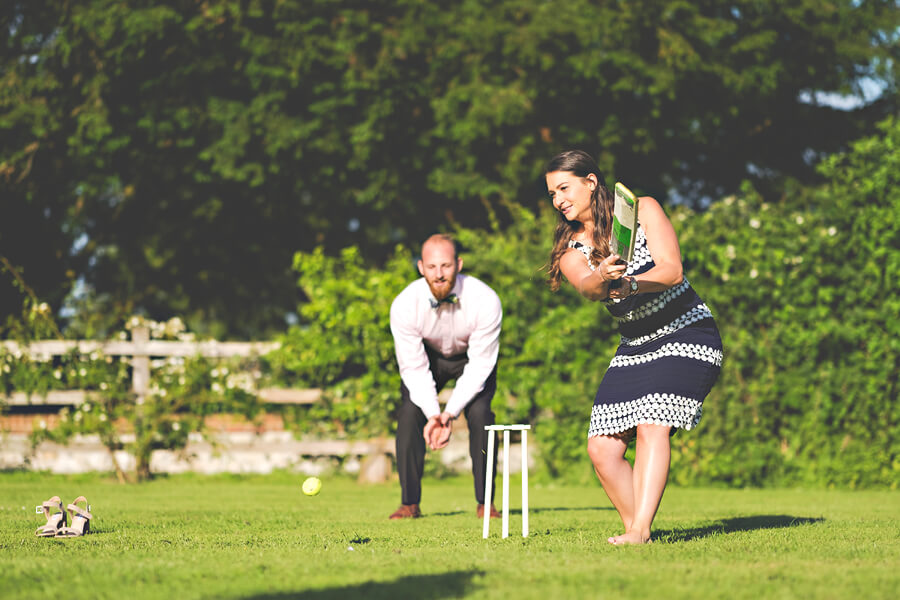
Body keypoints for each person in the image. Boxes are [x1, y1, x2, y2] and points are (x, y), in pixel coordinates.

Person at [545, 150, 723, 544]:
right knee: (602, 450)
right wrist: (603, 277)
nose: (558, 200)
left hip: (686, 331)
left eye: (564, 188)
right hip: (635, 346)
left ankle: (640, 531)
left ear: (591, 182)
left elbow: (673, 270)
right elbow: (588, 288)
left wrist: (632, 284)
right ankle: (637, 531)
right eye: (552, 193)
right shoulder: (570, 248)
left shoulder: (643, 210)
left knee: (652, 421)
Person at [388, 233, 503, 520]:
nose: (439, 275)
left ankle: (485, 503)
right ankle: (409, 503)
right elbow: (413, 368)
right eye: (431, 267)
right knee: (409, 414)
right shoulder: (405, 304)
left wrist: (449, 413)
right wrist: (433, 415)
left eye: (446, 266)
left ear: (459, 264)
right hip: (428, 359)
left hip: (472, 360)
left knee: (480, 415)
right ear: (420, 268)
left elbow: (480, 365)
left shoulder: (485, 299)